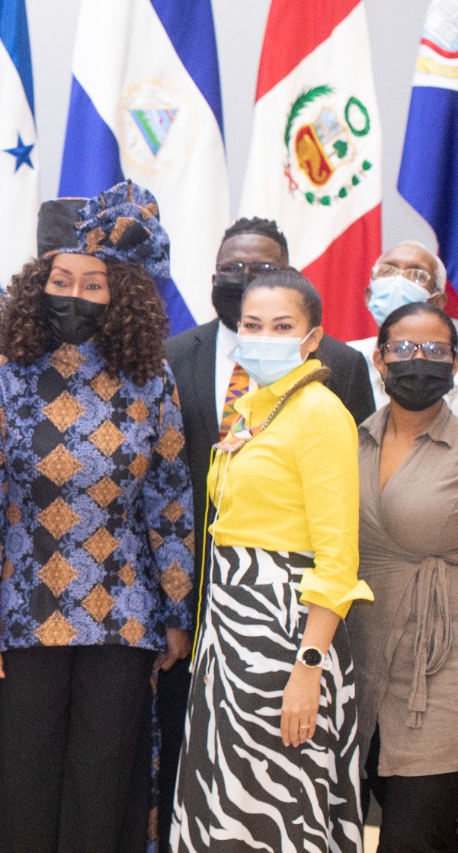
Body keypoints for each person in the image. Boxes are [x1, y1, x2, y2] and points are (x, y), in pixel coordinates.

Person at [0, 181, 196, 853]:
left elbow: (170, 503)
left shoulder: (151, 378)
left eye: (93, 285)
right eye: (62, 279)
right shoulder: (3, 375)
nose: (75, 295)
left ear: (119, 296)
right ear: (38, 284)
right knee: (25, 780)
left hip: (123, 615)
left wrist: (177, 612)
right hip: (24, 614)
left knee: (105, 781)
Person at [157, 217, 375, 849]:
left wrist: (308, 668)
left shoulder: (320, 413)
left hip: (285, 639)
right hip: (228, 639)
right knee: (222, 812)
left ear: (312, 340)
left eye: (282, 327)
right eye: (252, 326)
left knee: (278, 816)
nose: (264, 338)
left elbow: (338, 555)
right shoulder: (255, 411)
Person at [348, 302, 458, 852]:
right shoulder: (350, 439)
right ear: (380, 358)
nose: (420, 361)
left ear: (454, 365)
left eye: (436, 350)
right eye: (405, 349)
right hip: (361, 663)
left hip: (440, 670)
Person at [346, 241, 456, 411]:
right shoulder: (345, 359)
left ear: (437, 302)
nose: (398, 281)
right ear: (369, 295)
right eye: (387, 271)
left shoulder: (452, 373)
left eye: (416, 275)